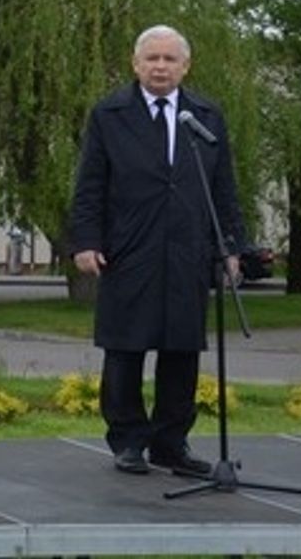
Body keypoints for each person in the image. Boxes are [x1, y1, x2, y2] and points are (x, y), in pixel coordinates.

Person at [69, 24, 245, 476]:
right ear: (136, 64)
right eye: (152, 59)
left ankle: (171, 443)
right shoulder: (111, 114)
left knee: (181, 350)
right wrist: (86, 240)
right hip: (130, 249)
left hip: (188, 249)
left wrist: (229, 247)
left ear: (185, 66)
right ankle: (127, 440)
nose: (160, 67)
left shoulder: (205, 116)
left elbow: (222, 187)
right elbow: (90, 184)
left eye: (170, 59)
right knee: (125, 348)